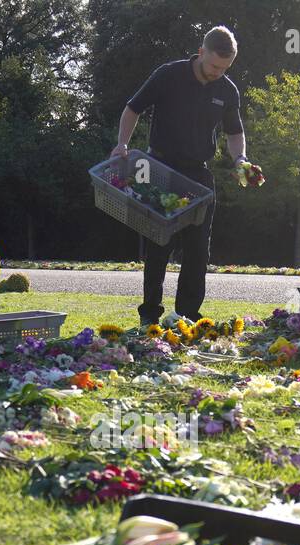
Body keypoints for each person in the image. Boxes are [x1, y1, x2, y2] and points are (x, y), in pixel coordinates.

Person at [113, 26, 249, 326]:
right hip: (160, 168)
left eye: (225, 68)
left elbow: (234, 132)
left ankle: (187, 315)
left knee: (198, 248)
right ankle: (149, 314)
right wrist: (122, 144)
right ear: (201, 52)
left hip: (198, 174)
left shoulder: (227, 90)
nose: (218, 73)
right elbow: (133, 109)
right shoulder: (168, 74)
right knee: (159, 244)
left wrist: (240, 158)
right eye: (214, 66)